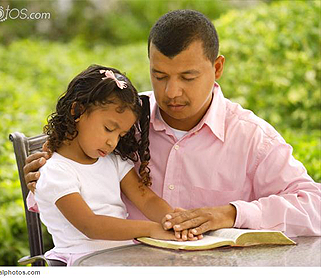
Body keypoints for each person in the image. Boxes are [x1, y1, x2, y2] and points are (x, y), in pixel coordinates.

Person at [25, 10, 320, 239]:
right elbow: (61, 184)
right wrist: (42, 173)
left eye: (188, 78)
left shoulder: (251, 137)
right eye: (160, 76)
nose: (171, 92)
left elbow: (314, 206)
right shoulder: (121, 117)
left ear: (217, 68)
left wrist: (231, 214)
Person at [28, 64, 194, 266]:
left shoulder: (113, 160)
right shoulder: (55, 171)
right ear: (77, 110)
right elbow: (91, 226)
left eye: (120, 135)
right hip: (81, 261)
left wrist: (173, 221)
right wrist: (150, 229)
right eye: (108, 129)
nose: (112, 142)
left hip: (119, 257)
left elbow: (146, 199)